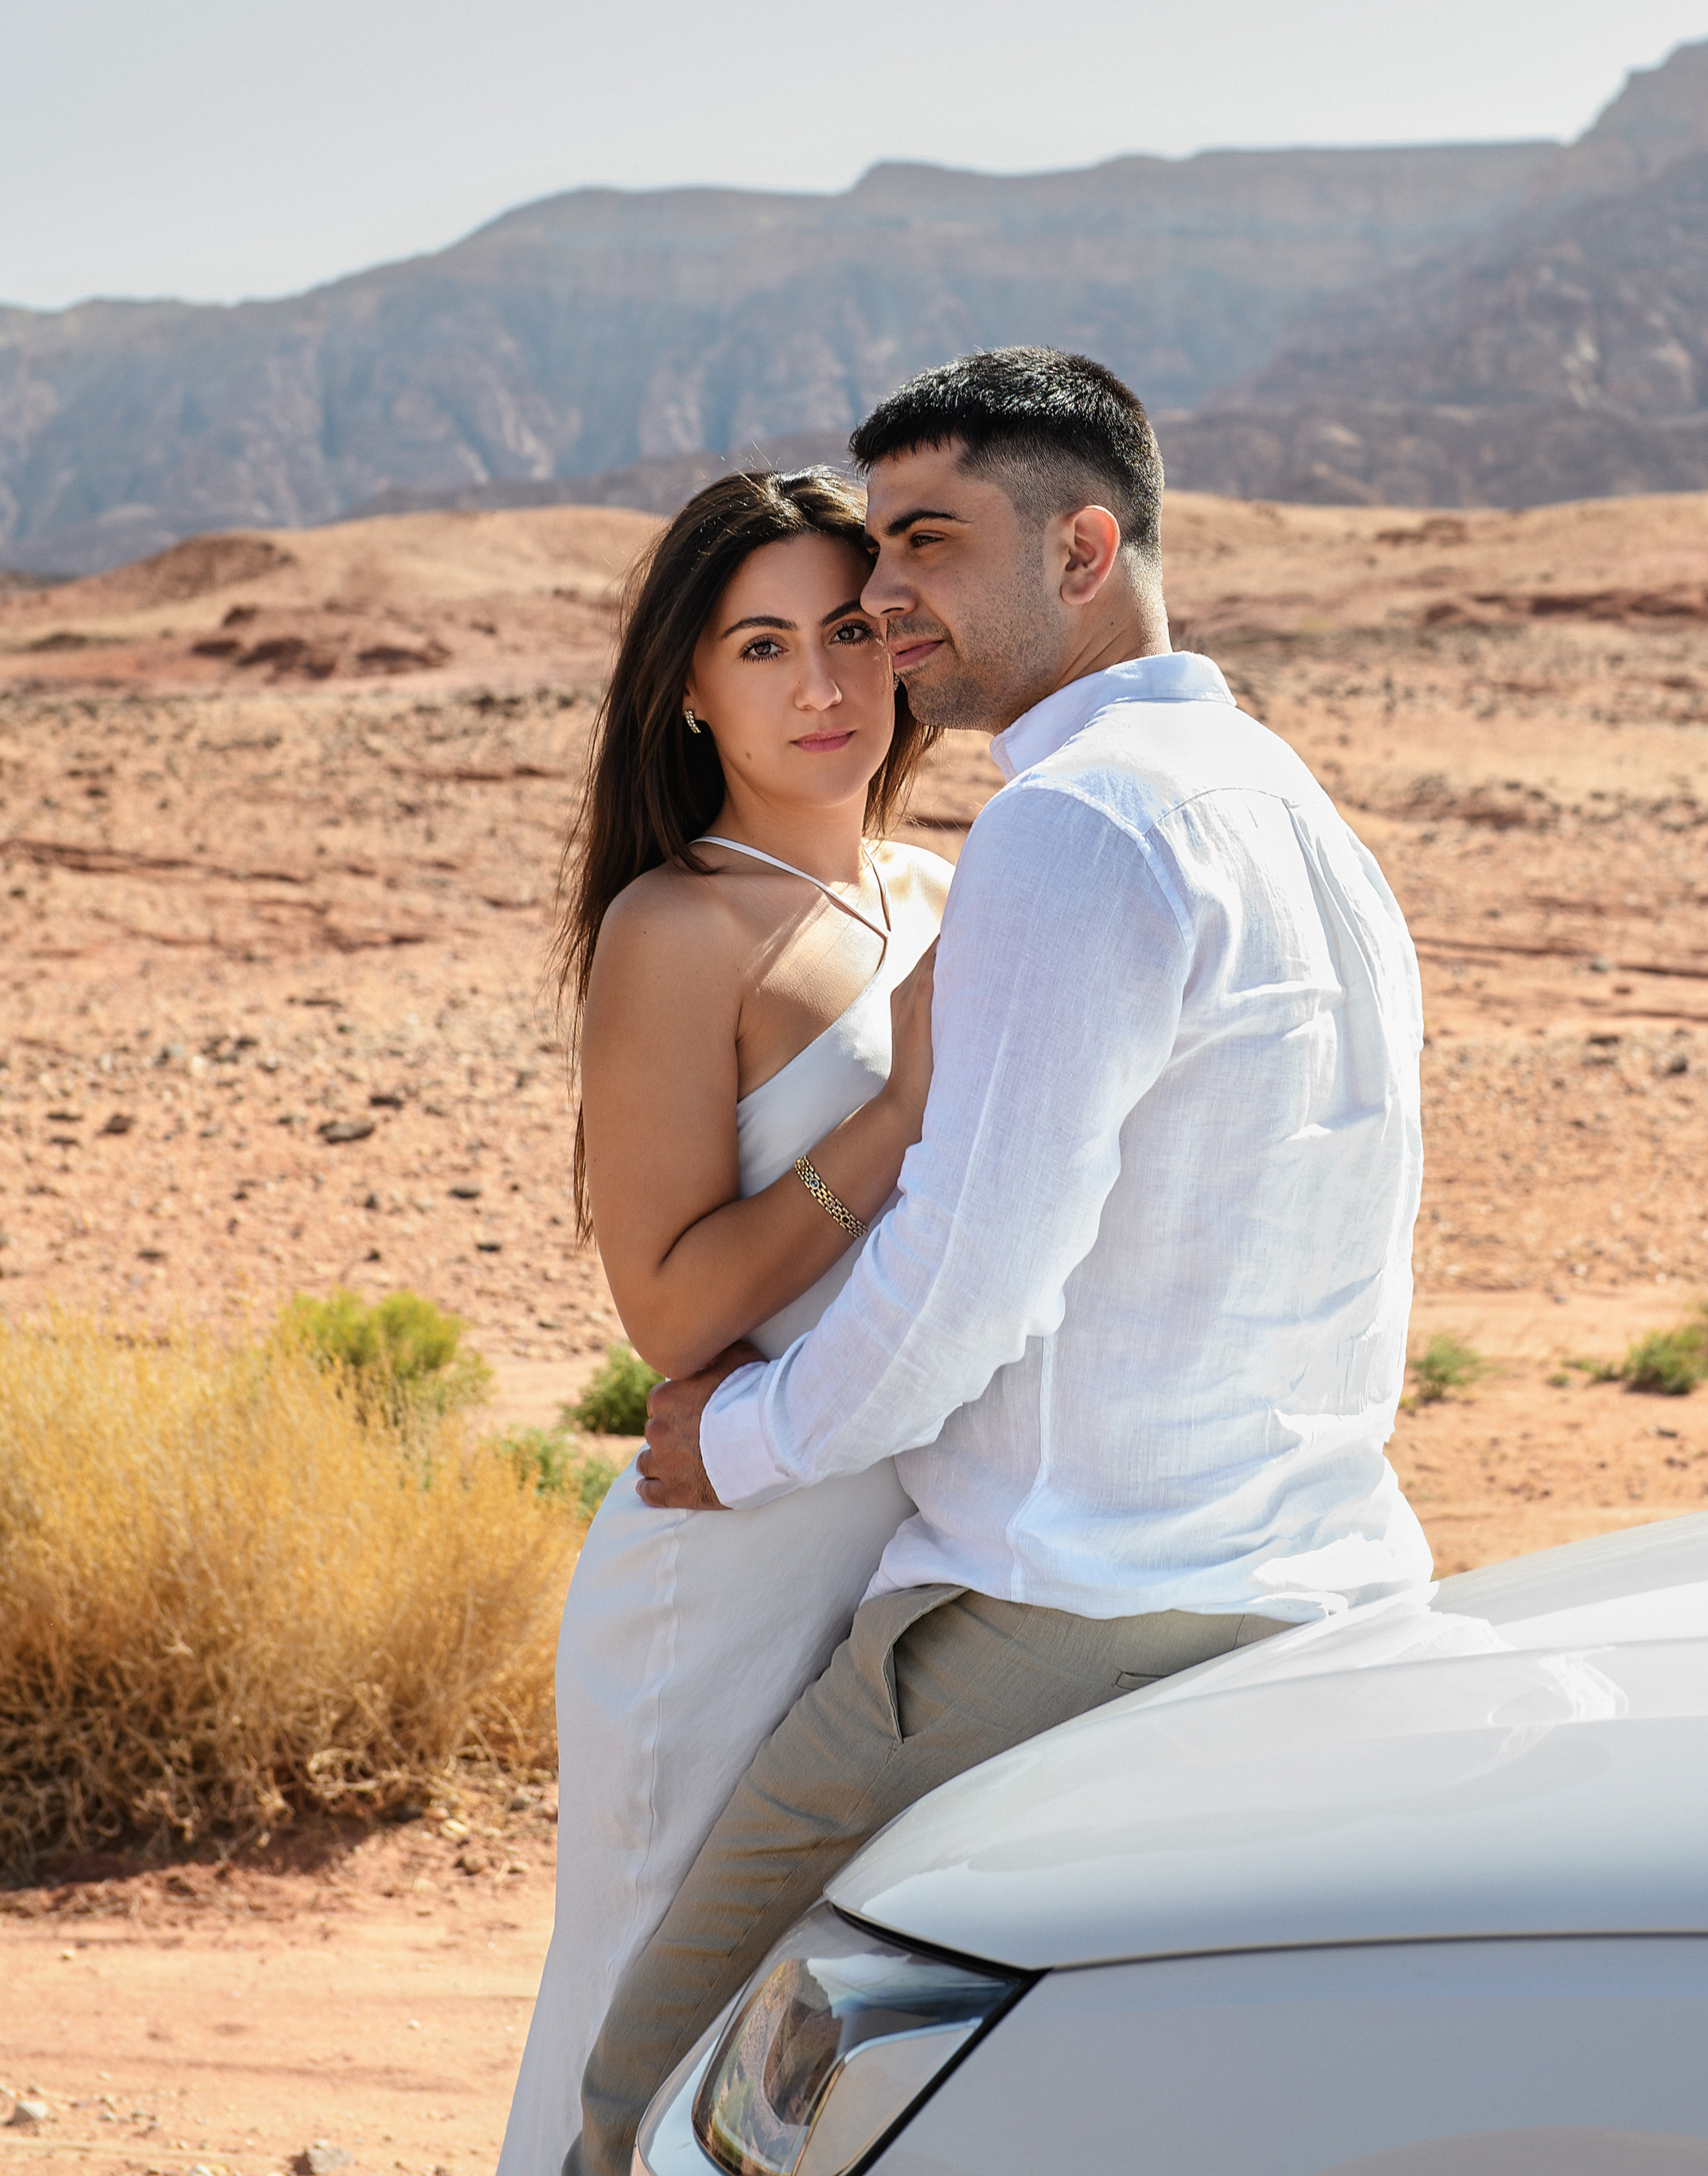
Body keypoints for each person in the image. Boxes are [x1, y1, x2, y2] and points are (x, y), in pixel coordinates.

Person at [567, 348, 1430, 2176]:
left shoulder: (1066, 824)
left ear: (1084, 548)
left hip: (1036, 1606)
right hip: (1288, 1567)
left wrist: (731, 1444)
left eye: (926, 544)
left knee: (645, 2095)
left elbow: (971, 1279)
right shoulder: (1287, 806)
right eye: (860, 559)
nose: (878, 609)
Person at [495, 469, 950, 2176]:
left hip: (916, 1561)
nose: (821, 687)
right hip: (722, 1567)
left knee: (825, 2048)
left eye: (849, 630)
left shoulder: (941, 892)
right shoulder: (674, 925)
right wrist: (894, 1114)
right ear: (688, 687)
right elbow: (663, 1308)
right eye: (761, 646)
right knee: (646, 2019)